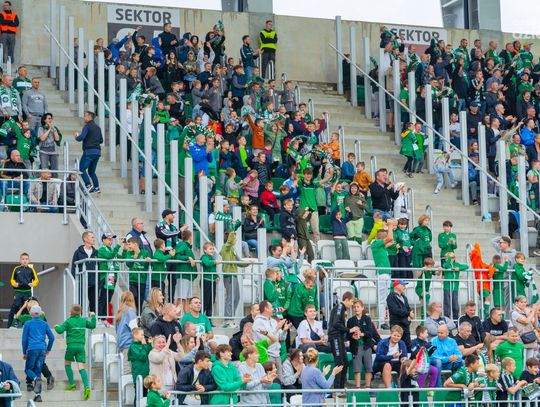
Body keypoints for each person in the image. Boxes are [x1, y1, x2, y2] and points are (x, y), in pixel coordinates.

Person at [53, 304, 96, 400]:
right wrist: (93, 316)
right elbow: (93, 325)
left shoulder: (68, 321)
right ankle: (86, 387)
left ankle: (72, 384)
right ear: (80, 312)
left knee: (67, 363)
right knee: (81, 367)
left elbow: (59, 331)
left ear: (71, 312)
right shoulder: (83, 321)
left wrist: (55, 326)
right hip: (81, 347)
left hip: (71, 346)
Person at [22, 305, 55, 403]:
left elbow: (24, 340)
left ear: (30, 313)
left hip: (32, 348)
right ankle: (38, 395)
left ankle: (35, 379)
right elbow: (52, 338)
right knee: (38, 370)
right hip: (42, 349)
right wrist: (48, 349)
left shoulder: (27, 323)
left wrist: (24, 352)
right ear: (40, 313)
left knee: (28, 369)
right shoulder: (44, 324)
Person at [328, 291, 358, 392]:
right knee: (339, 363)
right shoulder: (340, 307)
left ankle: (340, 388)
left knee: (344, 362)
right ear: (346, 299)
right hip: (335, 337)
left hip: (339, 338)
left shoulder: (342, 308)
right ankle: (336, 390)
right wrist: (349, 330)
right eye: (352, 302)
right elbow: (336, 324)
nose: (352, 304)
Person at [347, 299, 380, 388]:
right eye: (354, 307)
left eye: (358, 307)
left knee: (368, 368)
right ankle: (357, 387)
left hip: (366, 346)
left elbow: (370, 333)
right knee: (357, 369)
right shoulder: (350, 320)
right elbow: (348, 335)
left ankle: (367, 386)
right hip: (355, 346)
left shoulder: (367, 319)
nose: (356, 309)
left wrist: (362, 334)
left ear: (362, 308)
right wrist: (353, 336)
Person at [253, 300, 288, 381]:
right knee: (269, 380)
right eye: (271, 307)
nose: (273, 309)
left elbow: (281, 339)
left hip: (277, 354)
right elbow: (265, 340)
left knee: (280, 381)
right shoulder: (258, 322)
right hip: (267, 355)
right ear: (266, 308)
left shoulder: (273, 321)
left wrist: (284, 330)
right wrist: (277, 328)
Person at [7, 252, 38, 328]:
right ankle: (16, 322)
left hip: (27, 292)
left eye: (26, 259)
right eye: (23, 259)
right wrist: (14, 284)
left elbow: (36, 280)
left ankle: (25, 324)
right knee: (16, 305)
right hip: (18, 292)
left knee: (27, 307)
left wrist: (33, 284)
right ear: (20, 261)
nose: (25, 260)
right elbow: (12, 280)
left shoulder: (31, 270)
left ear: (29, 260)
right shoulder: (16, 269)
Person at [75, 111, 103, 193]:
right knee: (91, 171)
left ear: (89, 117)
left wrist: (76, 136)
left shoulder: (87, 126)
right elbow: (101, 140)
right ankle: (96, 187)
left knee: (81, 169)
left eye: (85, 116)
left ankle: (88, 185)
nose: (84, 117)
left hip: (89, 151)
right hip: (97, 152)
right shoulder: (98, 128)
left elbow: (81, 137)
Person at [70, 231, 98, 313]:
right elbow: (74, 267)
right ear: (85, 239)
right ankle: (80, 317)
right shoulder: (78, 252)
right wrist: (75, 280)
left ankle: (93, 317)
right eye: (92, 237)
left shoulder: (96, 252)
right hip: (82, 281)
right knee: (81, 301)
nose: (94, 239)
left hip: (93, 281)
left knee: (93, 302)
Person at [372, 228, 393, 329]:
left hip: (386, 275)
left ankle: (384, 321)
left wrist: (390, 227)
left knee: (385, 300)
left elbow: (391, 240)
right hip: (382, 275)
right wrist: (390, 226)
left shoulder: (382, 247)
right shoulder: (375, 244)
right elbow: (390, 238)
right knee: (382, 300)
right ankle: (381, 322)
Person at [115, 291, 138, 375]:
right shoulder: (130, 311)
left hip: (121, 344)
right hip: (128, 344)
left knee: (122, 369)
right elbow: (134, 329)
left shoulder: (119, 312)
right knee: (127, 370)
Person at [387, 280, 413, 350]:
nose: (404, 287)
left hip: (405, 324)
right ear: (396, 286)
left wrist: (410, 314)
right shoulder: (391, 297)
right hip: (396, 324)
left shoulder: (404, 297)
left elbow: (408, 308)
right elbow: (395, 310)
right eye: (403, 285)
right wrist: (408, 313)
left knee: (408, 346)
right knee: (397, 345)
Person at [128, 327, 152, 400]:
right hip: (138, 374)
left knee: (145, 395)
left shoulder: (143, 344)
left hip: (146, 374)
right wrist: (144, 345)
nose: (143, 336)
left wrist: (149, 344)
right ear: (135, 335)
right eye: (141, 335)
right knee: (138, 395)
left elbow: (150, 353)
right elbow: (143, 357)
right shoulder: (133, 346)